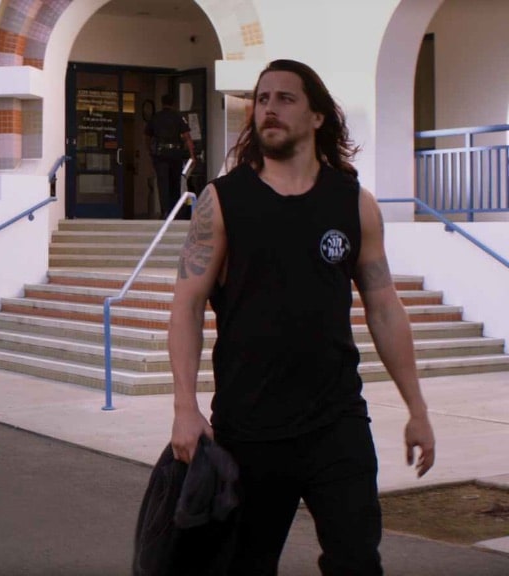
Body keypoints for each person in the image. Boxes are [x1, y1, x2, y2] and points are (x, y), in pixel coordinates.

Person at [167, 59, 436, 575]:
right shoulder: (222, 201)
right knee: (244, 566)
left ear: (317, 117)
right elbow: (187, 307)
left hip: (336, 422)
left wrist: (417, 409)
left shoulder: (354, 204)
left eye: (285, 98)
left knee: (357, 562)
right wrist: (185, 407)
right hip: (249, 428)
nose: (269, 108)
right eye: (262, 99)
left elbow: (384, 307)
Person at [145, 93, 197, 219]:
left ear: (162, 103)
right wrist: (192, 156)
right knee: (175, 183)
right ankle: (175, 211)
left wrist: (150, 151)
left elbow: (147, 137)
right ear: (174, 103)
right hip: (175, 153)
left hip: (160, 154)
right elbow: (187, 137)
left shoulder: (155, 117)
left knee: (162, 183)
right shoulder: (178, 117)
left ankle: (165, 212)